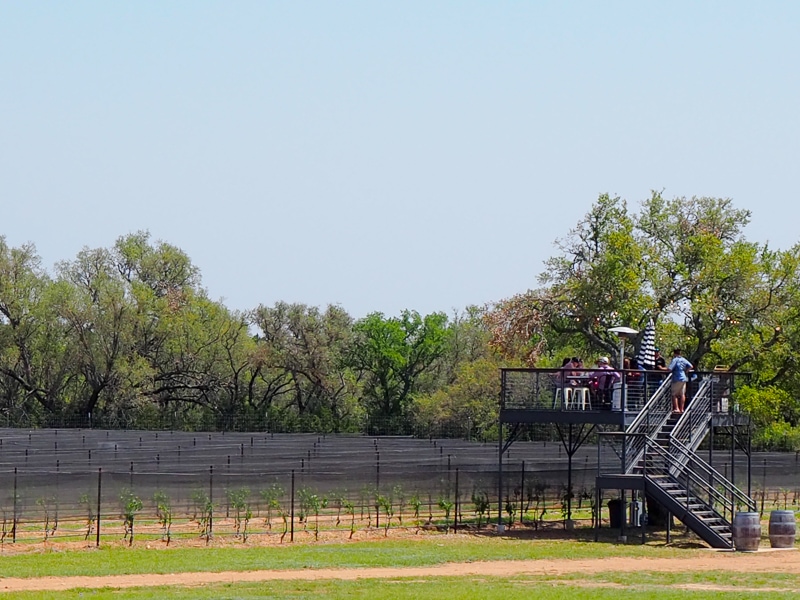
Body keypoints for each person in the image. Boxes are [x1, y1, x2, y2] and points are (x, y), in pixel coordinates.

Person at [669, 348, 694, 413]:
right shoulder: (683, 359)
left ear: (674, 353)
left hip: (677, 378)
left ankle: (677, 408)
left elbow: (670, 369)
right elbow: (691, 366)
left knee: (674, 394)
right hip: (683, 378)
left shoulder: (675, 360)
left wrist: (662, 368)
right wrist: (686, 371)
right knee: (682, 394)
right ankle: (682, 409)